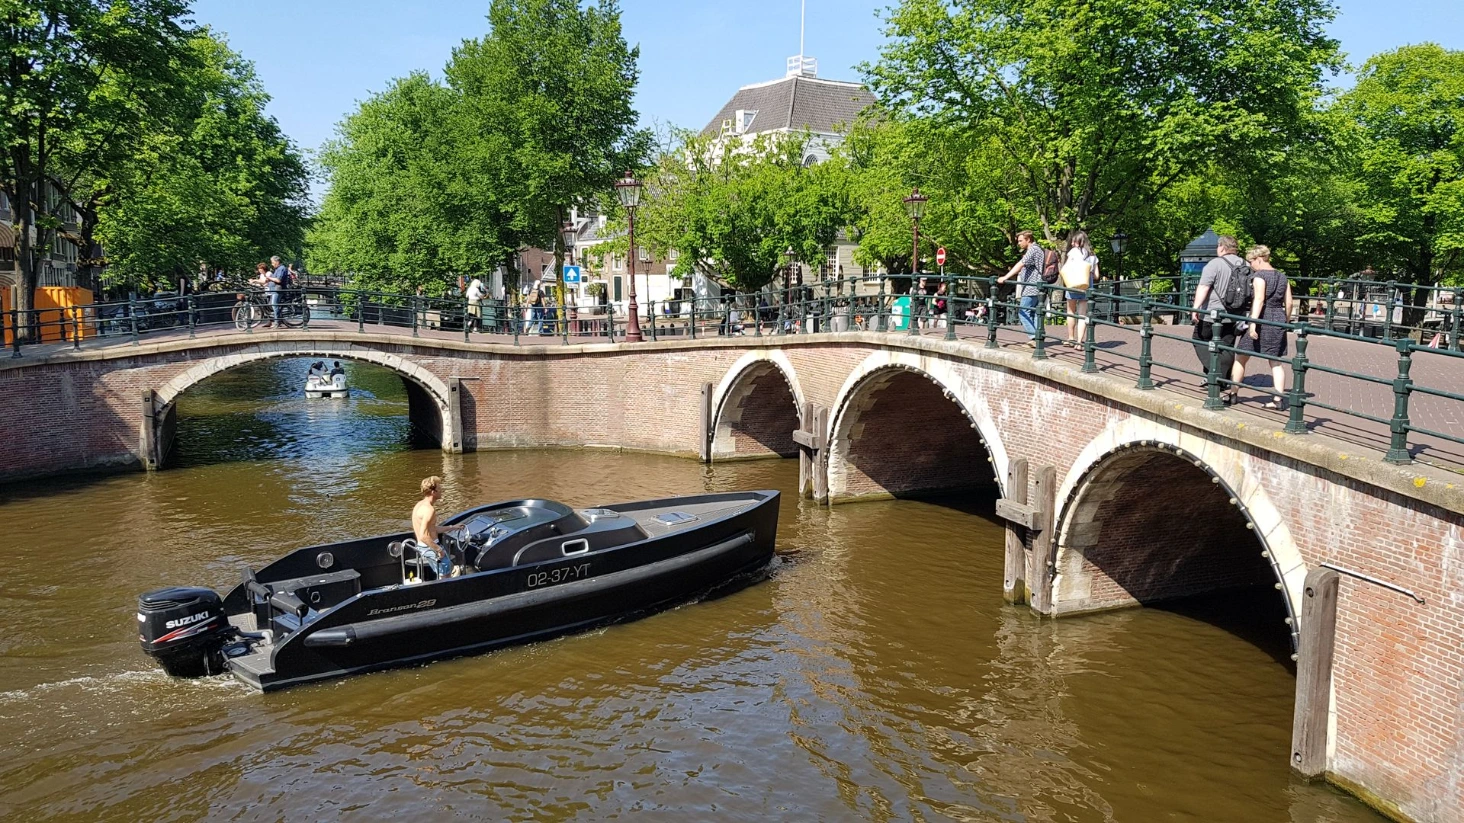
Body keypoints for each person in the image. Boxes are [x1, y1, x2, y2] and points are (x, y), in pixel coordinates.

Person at [1235, 245, 1294, 410]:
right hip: (1278, 317)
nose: (1250, 265)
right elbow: (1288, 303)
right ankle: (1278, 399)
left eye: (1251, 261)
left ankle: (1233, 393)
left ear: (1258, 259)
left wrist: (1253, 324)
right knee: (1275, 361)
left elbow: (1259, 300)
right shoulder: (1283, 277)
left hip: (1262, 317)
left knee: (1240, 355)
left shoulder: (1259, 276)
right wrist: (1286, 321)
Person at [1190, 235, 1246, 402]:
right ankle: (1217, 376)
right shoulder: (1246, 264)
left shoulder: (1214, 264)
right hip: (1236, 314)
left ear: (1222, 247)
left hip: (1212, 313)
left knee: (1199, 339)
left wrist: (1195, 308)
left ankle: (1216, 373)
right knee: (1227, 345)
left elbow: (1204, 287)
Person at [997, 230, 1046, 345]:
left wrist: (1005, 277)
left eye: (1020, 241)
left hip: (1032, 287)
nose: (1018, 243)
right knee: (1033, 312)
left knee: (1023, 312)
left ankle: (1034, 337)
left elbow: (1020, 264)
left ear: (1028, 239)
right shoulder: (1038, 249)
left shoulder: (1033, 249)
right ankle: (1038, 338)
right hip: (1037, 286)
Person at [411, 476, 459, 579]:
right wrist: (439, 550)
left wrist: (453, 527)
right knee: (446, 576)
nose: (441, 491)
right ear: (433, 492)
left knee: (444, 572)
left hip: (424, 546)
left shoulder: (419, 505)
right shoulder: (429, 510)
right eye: (440, 489)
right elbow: (423, 535)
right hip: (430, 546)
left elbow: (432, 529)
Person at [1062, 231, 1101, 347]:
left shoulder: (1074, 252)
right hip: (1087, 285)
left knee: (1070, 311)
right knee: (1082, 314)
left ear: (1079, 242)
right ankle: (1079, 342)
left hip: (1073, 283)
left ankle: (1071, 338)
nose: (1073, 244)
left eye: (1074, 241)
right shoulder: (1093, 256)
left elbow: (1065, 268)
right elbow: (1096, 276)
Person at [265, 255, 287, 328]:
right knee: (273, 305)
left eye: (273, 262)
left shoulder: (281, 268)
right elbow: (274, 279)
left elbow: (278, 280)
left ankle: (277, 322)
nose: (272, 264)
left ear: (277, 262)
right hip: (274, 290)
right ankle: (276, 321)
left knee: (275, 305)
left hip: (278, 290)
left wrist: (269, 278)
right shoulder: (277, 269)